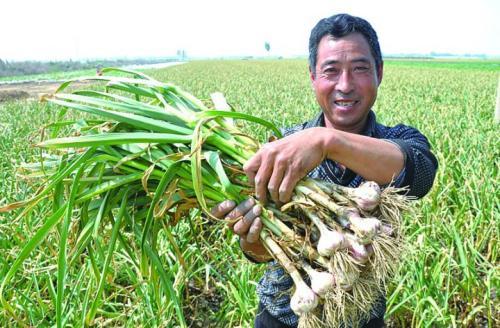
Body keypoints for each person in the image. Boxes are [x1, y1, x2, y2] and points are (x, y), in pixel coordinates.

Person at [211, 13, 438, 327]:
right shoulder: (281, 148)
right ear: (313, 76)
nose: (345, 85)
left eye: (360, 69)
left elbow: (421, 172)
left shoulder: (397, 141)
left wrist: (326, 141)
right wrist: (252, 238)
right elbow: (258, 252)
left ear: (379, 72)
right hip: (282, 316)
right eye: (331, 71)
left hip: (360, 317)